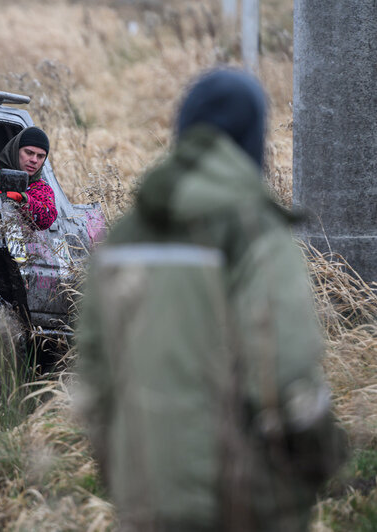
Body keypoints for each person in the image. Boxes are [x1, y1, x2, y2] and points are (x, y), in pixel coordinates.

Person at [77, 68, 345, 532]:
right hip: (247, 501)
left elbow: (94, 385)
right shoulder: (254, 227)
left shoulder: (123, 237)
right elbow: (288, 377)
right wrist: (325, 462)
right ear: (252, 139)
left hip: (147, 501)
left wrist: (125, 478)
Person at [0, 126, 57, 230]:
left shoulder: (41, 188)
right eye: (29, 153)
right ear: (15, 151)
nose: (34, 160)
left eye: (40, 156)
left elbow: (47, 218)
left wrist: (24, 199)